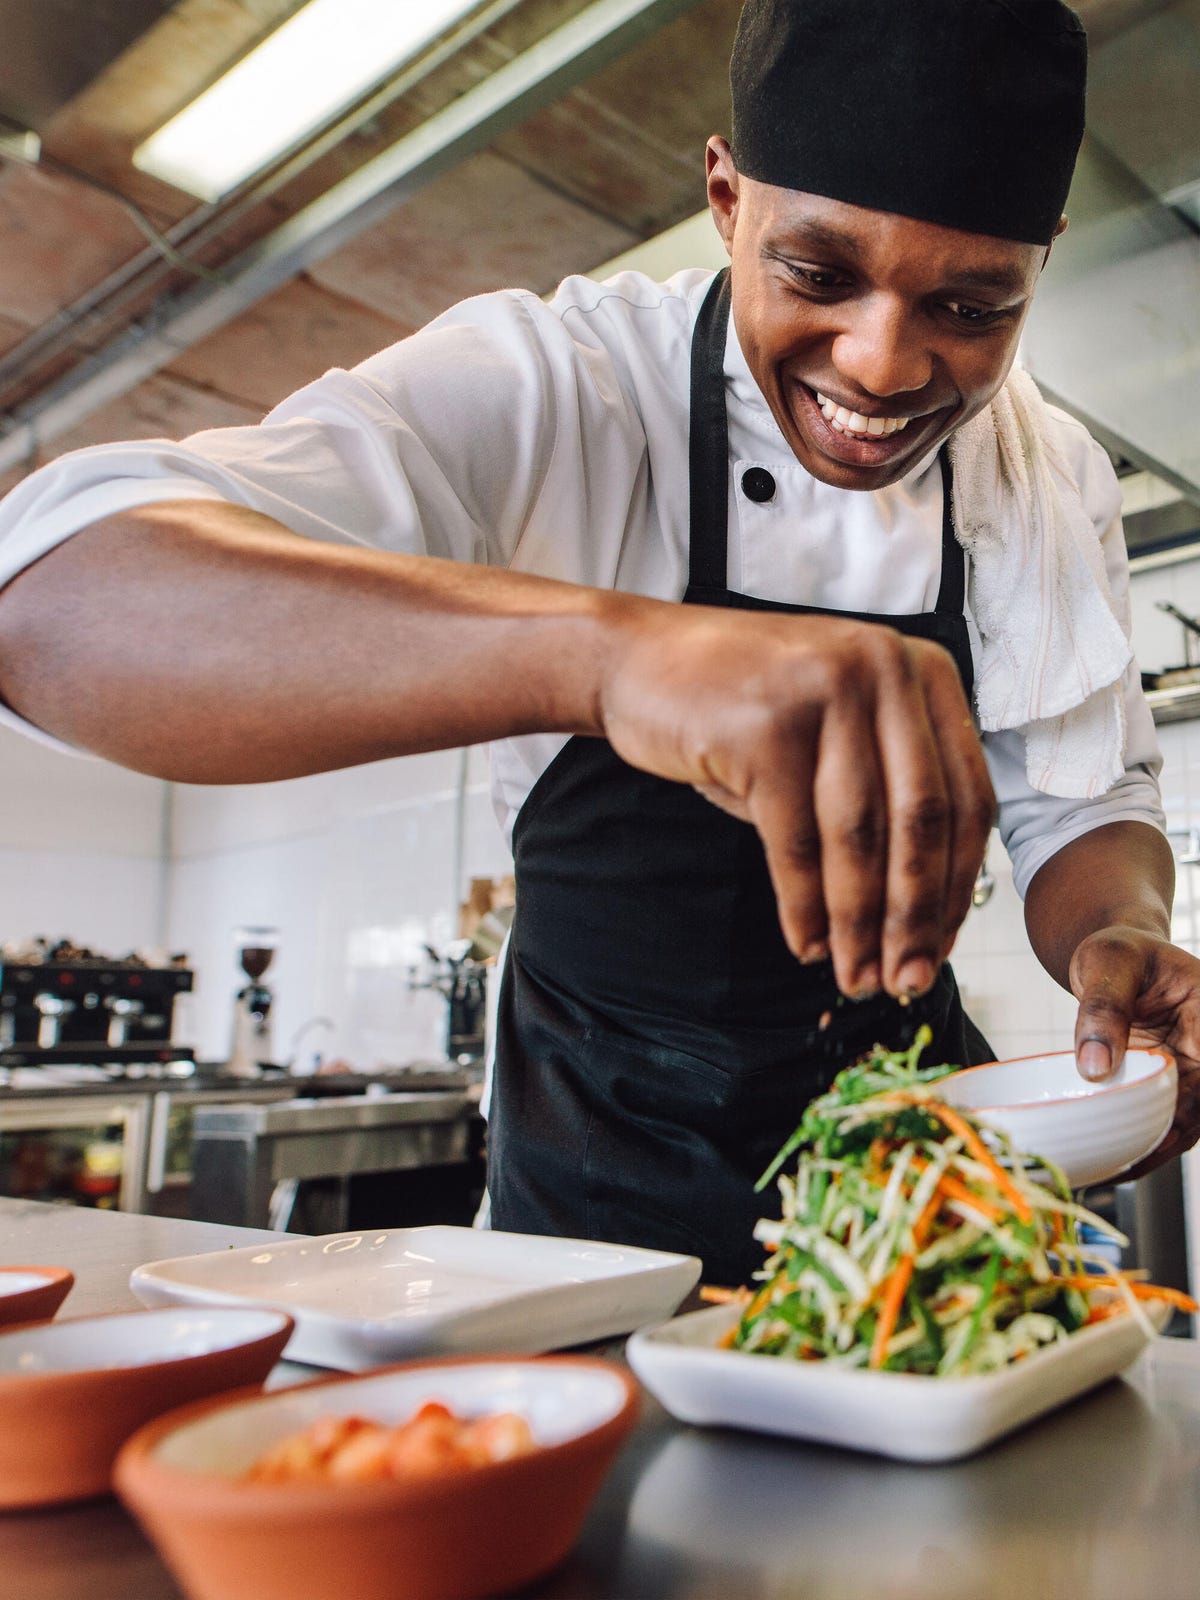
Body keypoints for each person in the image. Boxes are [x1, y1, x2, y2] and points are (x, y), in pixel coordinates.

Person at [0, 0, 1196, 1284]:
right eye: (818, 274)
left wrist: (1113, 938)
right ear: (728, 198)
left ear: (1042, 263)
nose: (885, 364)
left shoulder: (1042, 466)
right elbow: (50, 597)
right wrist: (613, 658)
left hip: (916, 1195)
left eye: (970, 306)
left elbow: (1082, 801)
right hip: (591, 1193)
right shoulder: (561, 383)